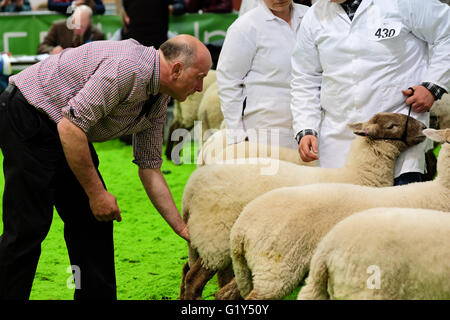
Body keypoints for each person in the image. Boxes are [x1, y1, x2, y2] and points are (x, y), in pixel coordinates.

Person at [0, 34, 212, 300]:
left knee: (93, 221)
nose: (201, 87)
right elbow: (71, 128)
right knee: (27, 229)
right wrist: (97, 194)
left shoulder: (158, 97)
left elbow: (150, 167)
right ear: (177, 69)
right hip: (29, 112)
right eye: (200, 77)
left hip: (64, 125)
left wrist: (181, 228)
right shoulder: (127, 68)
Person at [291, 0, 450, 185]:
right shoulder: (315, 16)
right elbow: (305, 77)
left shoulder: (403, 2)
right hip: (339, 138)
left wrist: (433, 86)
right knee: (343, 209)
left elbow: (446, 31)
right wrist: (306, 128)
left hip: (398, 132)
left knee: (396, 210)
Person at [217, 0, 309, 149]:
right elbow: (228, 82)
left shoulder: (310, 17)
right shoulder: (245, 27)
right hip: (267, 128)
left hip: (311, 125)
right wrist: (237, 134)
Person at [37, 5, 104, 55]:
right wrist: (53, 50)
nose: (77, 28)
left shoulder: (97, 34)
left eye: (81, 26)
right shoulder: (58, 26)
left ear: (89, 23)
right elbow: (41, 48)